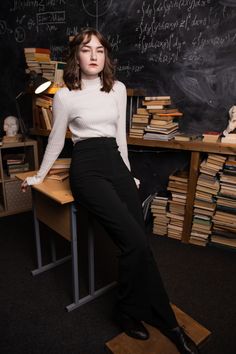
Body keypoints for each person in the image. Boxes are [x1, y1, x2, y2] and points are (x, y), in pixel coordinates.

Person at [21, 28, 199, 354]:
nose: (94, 56)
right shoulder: (65, 95)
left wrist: (127, 174)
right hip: (87, 168)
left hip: (115, 163)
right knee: (132, 243)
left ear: (106, 56)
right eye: (87, 50)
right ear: (77, 55)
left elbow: (120, 138)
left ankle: (145, 313)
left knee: (140, 244)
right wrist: (39, 175)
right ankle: (150, 317)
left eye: (100, 51)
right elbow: (58, 139)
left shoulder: (116, 89)